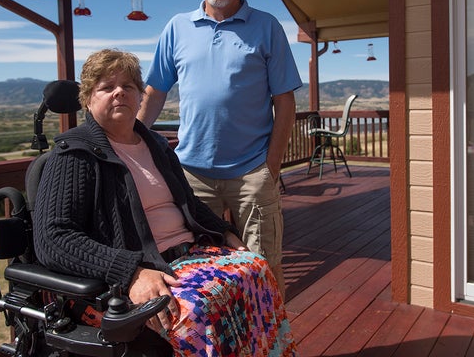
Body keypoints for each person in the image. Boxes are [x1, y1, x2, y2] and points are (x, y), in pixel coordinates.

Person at [33, 49, 297, 356]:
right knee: (197, 308)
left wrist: (225, 233)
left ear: (138, 97)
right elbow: (54, 238)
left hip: (189, 254)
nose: (119, 92)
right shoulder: (75, 154)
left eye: (128, 86)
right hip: (142, 268)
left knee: (257, 269)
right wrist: (131, 273)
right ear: (88, 99)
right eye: (107, 87)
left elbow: (189, 204)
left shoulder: (155, 144)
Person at [138, 0, 302, 295]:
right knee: (196, 268)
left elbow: (285, 103)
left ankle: (270, 345)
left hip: (251, 175)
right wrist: (125, 140)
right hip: (191, 177)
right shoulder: (177, 28)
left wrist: (270, 169)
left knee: (265, 268)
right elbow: (154, 93)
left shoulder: (267, 27)